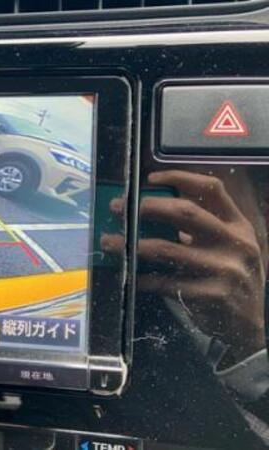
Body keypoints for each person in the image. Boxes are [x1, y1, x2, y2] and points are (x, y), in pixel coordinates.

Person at [102, 167, 269, 444]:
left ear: (264, 202)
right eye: (154, 198)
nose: (173, 217)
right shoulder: (117, 311)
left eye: (196, 202)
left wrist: (251, 344)